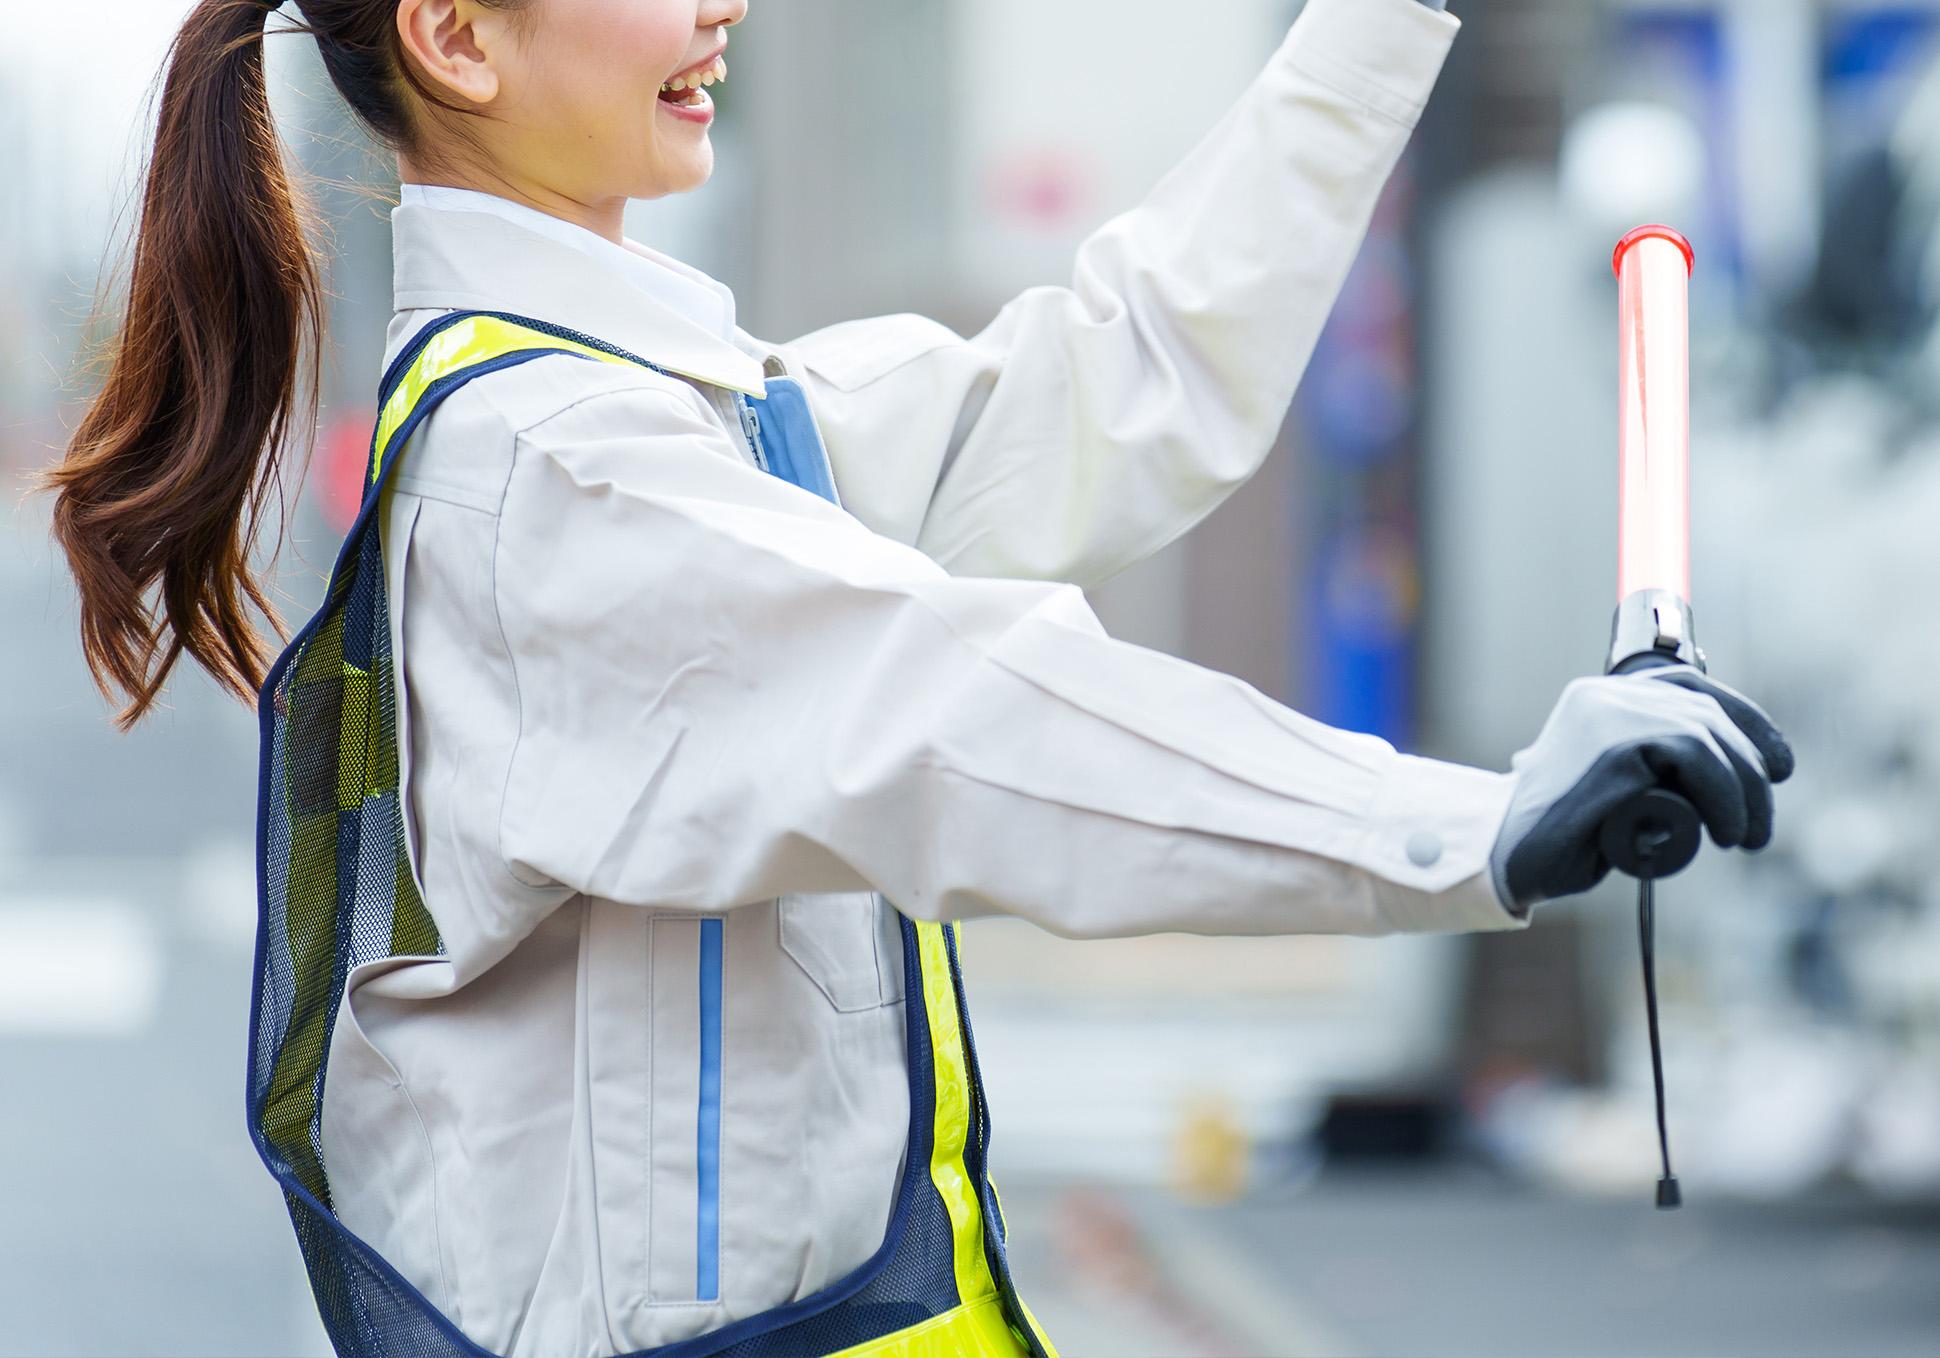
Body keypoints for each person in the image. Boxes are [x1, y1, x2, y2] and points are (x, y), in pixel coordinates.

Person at [39, 0, 1793, 1354]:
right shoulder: (564, 484)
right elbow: (972, 718)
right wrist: (1473, 822)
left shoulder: (700, 423)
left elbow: (1133, 375)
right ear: (455, 36)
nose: (721, 2)